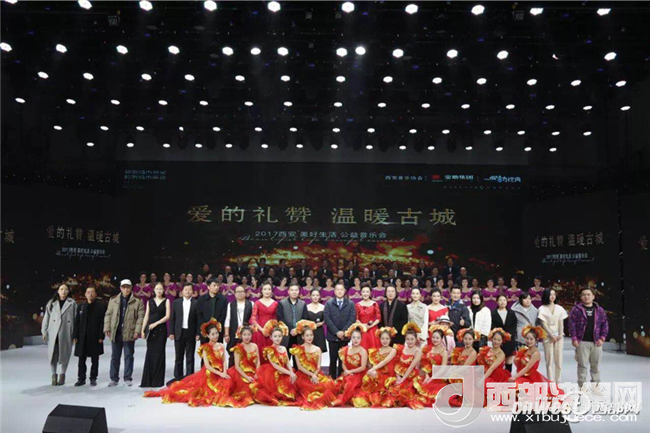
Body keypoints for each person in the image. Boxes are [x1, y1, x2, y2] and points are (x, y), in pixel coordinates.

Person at [144, 319, 236, 407]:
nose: (215, 336)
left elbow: (224, 360)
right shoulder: (205, 348)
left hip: (221, 372)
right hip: (210, 373)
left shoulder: (221, 345)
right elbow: (207, 366)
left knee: (229, 384)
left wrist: (224, 372)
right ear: (207, 335)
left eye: (216, 333)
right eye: (213, 334)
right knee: (202, 391)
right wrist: (220, 373)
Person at [104, 279, 145, 387]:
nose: (126, 289)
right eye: (124, 287)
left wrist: (137, 331)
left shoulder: (138, 301)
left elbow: (140, 317)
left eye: (128, 287)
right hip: (116, 332)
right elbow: (108, 314)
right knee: (115, 357)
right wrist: (107, 328)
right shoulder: (113, 300)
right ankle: (114, 378)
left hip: (129, 331)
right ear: (120, 288)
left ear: (131, 288)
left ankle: (127, 378)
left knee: (129, 356)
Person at [289, 321, 337, 410]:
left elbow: (318, 366)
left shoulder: (318, 349)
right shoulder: (298, 349)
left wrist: (315, 375)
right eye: (307, 335)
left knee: (327, 387)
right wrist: (312, 375)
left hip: (316, 373)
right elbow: (299, 367)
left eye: (311, 335)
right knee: (307, 390)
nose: (309, 337)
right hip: (303, 375)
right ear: (303, 337)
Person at [251, 321, 301, 406]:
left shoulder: (284, 348)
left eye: (279, 336)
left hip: (284, 371)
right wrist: (289, 373)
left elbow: (287, 362)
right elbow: (275, 366)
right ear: (271, 337)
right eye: (275, 336)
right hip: (273, 373)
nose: (277, 338)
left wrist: (291, 372)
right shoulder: (269, 350)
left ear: (282, 337)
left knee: (294, 388)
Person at [568, 287, 609, 388]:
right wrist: (574, 338)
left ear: (593, 296)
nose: (586, 297)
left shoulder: (599, 310)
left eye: (588, 294)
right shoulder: (576, 309)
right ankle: (582, 388)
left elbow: (605, 324)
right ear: (581, 297)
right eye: (583, 295)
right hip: (582, 342)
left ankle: (596, 387)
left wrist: (602, 338)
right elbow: (571, 325)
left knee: (596, 366)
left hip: (596, 342)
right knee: (582, 366)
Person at [42, 283, 77, 386]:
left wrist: (75, 334)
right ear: (58, 291)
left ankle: (62, 375)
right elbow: (46, 319)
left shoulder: (72, 303)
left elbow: (76, 320)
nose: (63, 291)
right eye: (61, 289)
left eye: (66, 289)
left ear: (68, 291)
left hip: (66, 332)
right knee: (53, 354)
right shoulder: (51, 303)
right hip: (53, 332)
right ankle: (53, 375)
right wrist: (44, 332)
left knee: (65, 354)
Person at [509, 325, 559, 395]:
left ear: (536, 340)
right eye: (527, 338)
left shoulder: (536, 354)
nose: (529, 341)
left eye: (531, 339)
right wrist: (518, 355)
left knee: (517, 388)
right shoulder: (524, 350)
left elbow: (527, 368)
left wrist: (515, 377)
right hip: (521, 375)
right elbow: (517, 364)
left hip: (530, 377)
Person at [73, 286, 106, 387]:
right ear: (85, 294)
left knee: (95, 359)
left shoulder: (100, 306)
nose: (90, 294)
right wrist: (75, 336)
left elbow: (102, 322)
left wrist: (101, 336)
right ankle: (81, 378)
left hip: (95, 337)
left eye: (92, 292)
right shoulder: (81, 306)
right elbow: (76, 322)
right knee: (81, 359)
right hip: (82, 337)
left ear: (95, 294)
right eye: (88, 292)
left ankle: (93, 378)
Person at [388, 324, 427, 409]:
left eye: (412, 339)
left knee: (405, 393)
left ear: (416, 339)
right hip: (401, 375)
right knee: (391, 392)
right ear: (405, 339)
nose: (410, 341)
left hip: (411, 377)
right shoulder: (401, 348)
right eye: (408, 339)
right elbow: (397, 365)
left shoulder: (418, 351)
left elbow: (411, 367)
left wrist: (402, 380)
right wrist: (398, 377)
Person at [140, 283, 171, 388]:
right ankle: (148, 381)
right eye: (157, 289)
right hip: (151, 330)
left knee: (160, 354)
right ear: (154, 290)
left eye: (160, 289)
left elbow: (167, 316)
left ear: (163, 290)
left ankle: (158, 381)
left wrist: (156, 323)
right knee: (150, 353)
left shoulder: (167, 301)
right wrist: (142, 330)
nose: (159, 291)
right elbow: (146, 316)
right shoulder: (150, 301)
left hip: (161, 330)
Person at [324, 283, 357, 379]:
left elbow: (352, 319)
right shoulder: (329, 303)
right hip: (332, 336)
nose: (339, 291)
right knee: (333, 359)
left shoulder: (350, 304)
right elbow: (327, 319)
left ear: (344, 291)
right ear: (334, 291)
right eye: (337, 290)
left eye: (341, 290)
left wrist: (343, 331)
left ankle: (342, 379)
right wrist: (336, 332)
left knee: (343, 360)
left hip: (344, 337)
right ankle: (332, 379)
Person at [168, 283, 199, 382]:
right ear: (182, 291)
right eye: (186, 289)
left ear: (193, 292)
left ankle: (190, 377)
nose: (188, 291)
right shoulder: (176, 302)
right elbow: (172, 318)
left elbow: (198, 320)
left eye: (190, 290)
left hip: (191, 332)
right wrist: (171, 332)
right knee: (178, 356)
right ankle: (178, 377)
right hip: (179, 332)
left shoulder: (196, 303)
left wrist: (198, 333)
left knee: (190, 357)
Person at [361, 327, 399, 407]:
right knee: (369, 377)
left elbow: (385, 361)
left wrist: (373, 369)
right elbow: (375, 363)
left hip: (389, 374)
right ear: (380, 339)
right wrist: (373, 370)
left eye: (387, 339)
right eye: (383, 339)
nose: (385, 341)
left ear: (390, 339)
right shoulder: (377, 350)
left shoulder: (393, 350)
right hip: (380, 372)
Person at [332, 326, 368, 407]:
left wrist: (350, 372)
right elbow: (343, 363)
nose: (356, 340)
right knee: (338, 385)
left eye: (358, 338)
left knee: (351, 382)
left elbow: (363, 367)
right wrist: (346, 371)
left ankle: (342, 399)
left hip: (359, 374)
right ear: (350, 338)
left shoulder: (363, 351)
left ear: (361, 339)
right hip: (348, 373)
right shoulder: (345, 349)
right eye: (354, 337)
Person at [537, 288, 568, 382]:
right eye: (550, 294)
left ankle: (558, 381)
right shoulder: (542, 308)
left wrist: (560, 334)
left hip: (559, 336)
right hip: (547, 335)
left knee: (559, 360)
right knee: (549, 360)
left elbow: (561, 322)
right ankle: (551, 381)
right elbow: (543, 324)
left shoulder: (559, 308)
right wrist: (551, 335)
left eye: (554, 294)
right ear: (546, 295)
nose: (552, 296)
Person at [226, 324, 259, 407]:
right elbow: (237, 366)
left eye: (249, 334)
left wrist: (257, 372)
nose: (246, 337)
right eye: (244, 335)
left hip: (253, 371)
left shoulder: (255, 346)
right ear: (241, 336)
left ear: (252, 335)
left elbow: (258, 361)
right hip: (241, 373)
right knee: (246, 390)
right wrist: (246, 377)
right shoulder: (238, 348)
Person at [416, 326, 449, 405]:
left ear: (441, 339)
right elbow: (425, 364)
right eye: (433, 337)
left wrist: (432, 378)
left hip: (438, 377)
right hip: (428, 376)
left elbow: (443, 369)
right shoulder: (428, 349)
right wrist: (427, 376)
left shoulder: (444, 352)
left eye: (437, 338)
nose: (435, 340)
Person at [478, 328, 511, 407]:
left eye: (499, 340)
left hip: (496, 376)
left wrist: (482, 379)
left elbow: (492, 368)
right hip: (486, 373)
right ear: (491, 339)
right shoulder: (486, 350)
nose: (496, 342)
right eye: (494, 339)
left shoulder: (501, 354)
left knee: (484, 385)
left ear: (502, 341)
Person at [224, 285, 253, 367]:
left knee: (246, 355)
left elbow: (253, 320)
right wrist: (227, 334)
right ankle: (232, 371)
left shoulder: (251, 304)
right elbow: (227, 320)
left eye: (242, 291)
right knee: (232, 354)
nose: (240, 293)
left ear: (245, 293)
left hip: (247, 334)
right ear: (235, 294)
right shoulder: (230, 305)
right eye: (238, 292)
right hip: (233, 333)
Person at [277, 284, 308, 354]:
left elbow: (305, 318)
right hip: (286, 334)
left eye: (296, 290)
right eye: (292, 290)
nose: (294, 292)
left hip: (299, 335)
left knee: (298, 358)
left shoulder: (303, 304)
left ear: (299, 291)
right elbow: (280, 318)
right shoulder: (282, 303)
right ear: (288, 291)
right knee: (285, 358)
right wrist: (290, 329)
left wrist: (297, 329)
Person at [196, 278, 228, 344]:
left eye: (217, 285)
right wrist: (204, 327)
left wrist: (216, 326)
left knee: (218, 348)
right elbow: (199, 315)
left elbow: (223, 315)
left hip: (218, 329)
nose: (216, 287)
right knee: (205, 348)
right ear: (208, 287)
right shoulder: (201, 299)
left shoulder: (223, 299)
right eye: (214, 285)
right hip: (205, 330)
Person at [491, 294, 517, 372]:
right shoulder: (493, 313)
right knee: (498, 361)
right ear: (497, 301)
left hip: (510, 340)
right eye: (500, 300)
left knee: (509, 360)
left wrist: (508, 335)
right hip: (497, 341)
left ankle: (508, 376)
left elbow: (514, 326)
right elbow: (492, 326)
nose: (502, 302)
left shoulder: (512, 313)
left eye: (504, 300)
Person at [250, 283, 279, 351]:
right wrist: (262, 330)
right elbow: (253, 318)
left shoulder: (275, 303)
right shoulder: (257, 303)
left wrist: (272, 330)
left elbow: (276, 318)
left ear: (271, 291)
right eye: (265, 289)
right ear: (261, 291)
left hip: (271, 331)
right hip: (260, 329)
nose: (267, 291)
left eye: (269, 289)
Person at [356, 286, 381, 350]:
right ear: (361, 293)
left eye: (367, 292)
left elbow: (378, 318)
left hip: (373, 330)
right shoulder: (357, 305)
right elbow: (356, 318)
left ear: (370, 293)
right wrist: (362, 325)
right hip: (362, 329)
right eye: (363, 292)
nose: (365, 293)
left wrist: (370, 326)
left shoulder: (374, 304)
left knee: (373, 349)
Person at [305, 289, 327, 354]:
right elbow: (304, 319)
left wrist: (322, 323)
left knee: (319, 352)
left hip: (319, 331)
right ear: (310, 296)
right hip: (309, 331)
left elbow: (326, 319)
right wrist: (311, 325)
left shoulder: (323, 307)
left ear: (320, 296)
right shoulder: (306, 307)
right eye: (313, 295)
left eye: (317, 295)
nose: (315, 297)